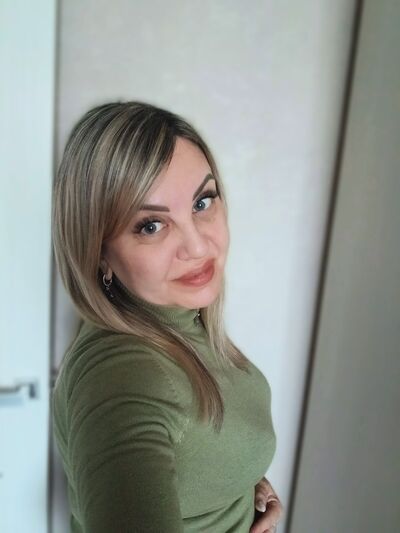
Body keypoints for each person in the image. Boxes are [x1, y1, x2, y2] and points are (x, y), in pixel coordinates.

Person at [51, 101, 283, 532]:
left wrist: (246, 483)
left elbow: (195, 445)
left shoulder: (176, 318)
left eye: (202, 202)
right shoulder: (121, 374)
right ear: (98, 253)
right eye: (151, 226)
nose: (197, 246)